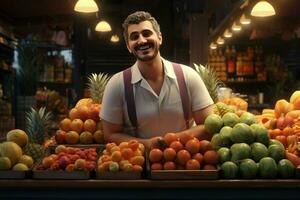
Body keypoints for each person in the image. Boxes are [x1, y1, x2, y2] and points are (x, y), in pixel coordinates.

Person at [100, 11, 214, 148]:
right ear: (128, 46)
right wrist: (148, 144)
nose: (141, 40)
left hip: (186, 161)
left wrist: (169, 141)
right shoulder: (116, 84)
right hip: (140, 163)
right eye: (134, 37)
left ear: (159, 37)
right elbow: (110, 134)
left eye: (147, 34)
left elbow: (209, 126)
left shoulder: (188, 76)